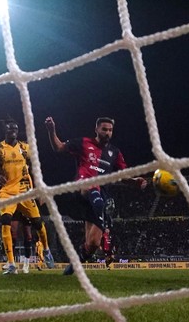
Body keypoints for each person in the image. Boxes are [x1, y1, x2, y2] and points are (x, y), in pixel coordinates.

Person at [45, 116, 146, 275]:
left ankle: (77, 262)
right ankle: (106, 227)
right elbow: (58, 147)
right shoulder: (83, 143)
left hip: (100, 196)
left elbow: (123, 175)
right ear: (96, 129)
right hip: (82, 188)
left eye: (110, 130)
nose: (107, 132)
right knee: (92, 186)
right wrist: (51, 131)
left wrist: (134, 182)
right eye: (104, 129)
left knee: (92, 244)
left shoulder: (114, 152)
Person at [0, 118, 56, 275]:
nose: (13, 131)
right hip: (6, 192)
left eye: (16, 129)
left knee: (38, 223)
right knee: (5, 222)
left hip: (25, 191)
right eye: (10, 129)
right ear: (5, 131)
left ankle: (47, 250)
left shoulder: (25, 147)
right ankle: (10, 263)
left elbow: (36, 169)